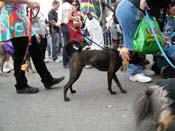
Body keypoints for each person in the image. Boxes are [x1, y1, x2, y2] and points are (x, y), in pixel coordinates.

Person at [0, 0, 64, 94]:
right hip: (13, 20)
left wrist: (29, 3)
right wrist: (27, 2)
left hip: (22, 21)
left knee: (36, 51)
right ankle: (21, 85)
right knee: (20, 55)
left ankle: (47, 79)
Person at [115, 0, 171, 83]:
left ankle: (141, 67)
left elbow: (158, 23)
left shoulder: (165, 3)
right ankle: (134, 72)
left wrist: (161, 36)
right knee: (133, 40)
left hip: (140, 10)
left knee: (142, 40)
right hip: (128, 8)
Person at [58, 0, 73, 68]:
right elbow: (69, 17)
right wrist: (76, 18)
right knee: (68, 44)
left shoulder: (62, 5)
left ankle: (67, 61)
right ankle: (67, 62)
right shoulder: (68, 5)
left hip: (63, 25)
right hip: (67, 25)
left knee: (67, 44)